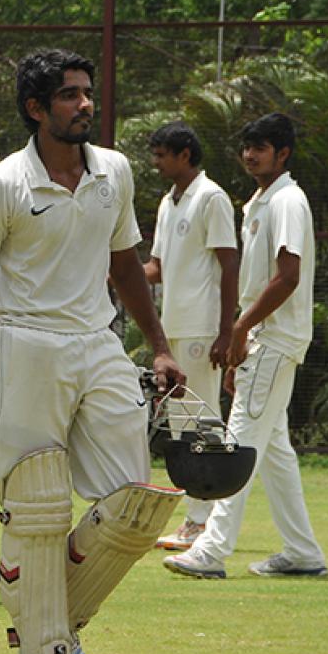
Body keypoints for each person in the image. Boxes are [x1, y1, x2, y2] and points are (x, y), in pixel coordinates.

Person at [0, 49, 186, 654]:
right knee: (37, 506)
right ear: (36, 109)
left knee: (135, 505)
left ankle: (45, 615)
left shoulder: (114, 172)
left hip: (98, 342)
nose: (84, 103)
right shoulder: (2, 186)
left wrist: (161, 347)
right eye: (69, 94)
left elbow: (126, 266)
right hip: (27, 344)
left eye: (86, 92)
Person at [163, 113, 328, 580]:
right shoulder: (259, 202)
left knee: (238, 443)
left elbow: (288, 276)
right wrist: (243, 341)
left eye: (261, 147)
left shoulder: (288, 201)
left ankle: (211, 551)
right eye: (247, 147)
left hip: (275, 338)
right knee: (273, 451)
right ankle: (302, 552)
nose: (250, 155)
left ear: (283, 154)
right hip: (262, 339)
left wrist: (240, 328)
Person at [143, 122, 239, 551]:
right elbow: (156, 269)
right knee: (183, 425)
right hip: (173, 330)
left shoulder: (211, 197)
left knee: (203, 421)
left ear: (185, 155)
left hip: (203, 327)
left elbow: (229, 263)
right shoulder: (169, 202)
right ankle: (198, 517)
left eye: (162, 154)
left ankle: (201, 521)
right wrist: (108, 272)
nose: (157, 162)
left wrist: (226, 330)